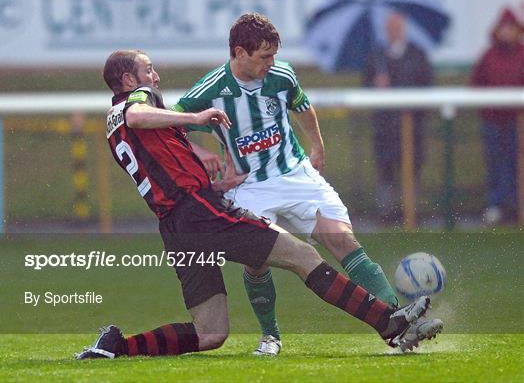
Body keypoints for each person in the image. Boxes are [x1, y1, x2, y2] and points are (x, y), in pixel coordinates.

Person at [75, 49, 443, 359]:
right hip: (201, 215)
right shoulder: (134, 104)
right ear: (127, 81)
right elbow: (137, 115)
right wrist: (195, 117)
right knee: (303, 256)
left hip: (178, 226)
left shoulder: (115, 123)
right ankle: (390, 323)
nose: (155, 75)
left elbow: (163, 174)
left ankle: (116, 346)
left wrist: (218, 185)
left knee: (210, 333)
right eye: (147, 69)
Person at [174, 13, 408, 356]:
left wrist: (317, 145)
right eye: (263, 57)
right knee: (256, 262)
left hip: (295, 174)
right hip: (249, 186)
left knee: (341, 239)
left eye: (273, 55)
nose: (272, 63)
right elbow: (170, 125)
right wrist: (199, 152)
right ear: (239, 52)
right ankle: (270, 335)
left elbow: (302, 104)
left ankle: (398, 320)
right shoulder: (211, 89)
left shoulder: (281, 75)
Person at [363, 11, 433, 222]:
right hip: (385, 127)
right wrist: (376, 85)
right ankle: (386, 213)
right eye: (389, 28)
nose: (393, 31)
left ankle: (411, 213)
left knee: (412, 169)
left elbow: (427, 84)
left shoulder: (417, 54)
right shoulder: (377, 57)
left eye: (397, 27)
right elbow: (365, 85)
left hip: (412, 126)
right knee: (386, 170)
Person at [471, 7, 523, 225]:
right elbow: (476, 84)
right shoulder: (488, 55)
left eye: (510, 28)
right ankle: (496, 205)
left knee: (514, 163)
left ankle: (514, 204)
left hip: (516, 122)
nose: (506, 32)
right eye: (504, 28)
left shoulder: (521, 54)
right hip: (493, 121)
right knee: (495, 162)